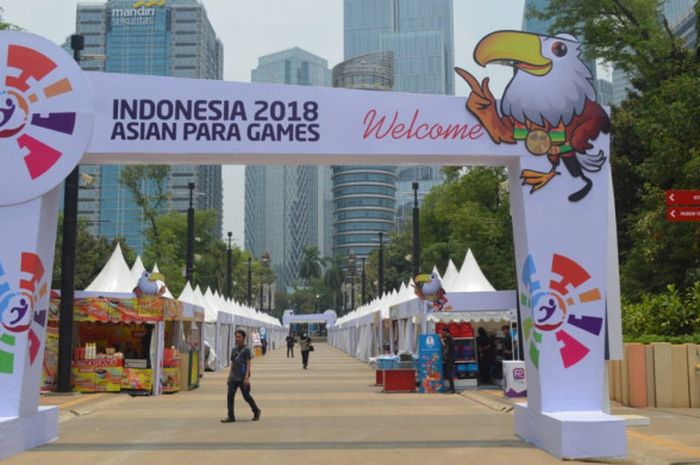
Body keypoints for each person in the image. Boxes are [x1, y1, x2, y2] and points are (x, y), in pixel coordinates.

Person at [221, 329, 261, 423]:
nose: (237, 339)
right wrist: (229, 376)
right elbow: (233, 363)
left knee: (246, 396)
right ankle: (231, 416)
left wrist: (246, 377)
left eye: (239, 337)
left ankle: (256, 410)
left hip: (242, 377)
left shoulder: (246, 349)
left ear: (243, 338)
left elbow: (248, 363)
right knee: (230, 396)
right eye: (236, 337)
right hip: (234, 377)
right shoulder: (234, 350)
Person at [440, 327, 456, 393]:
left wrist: (441, 339)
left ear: (446, 332)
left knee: (449, 373)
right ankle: (451, 388)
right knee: (448, 373)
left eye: (443, 332)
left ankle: (452, 389)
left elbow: (445, 346)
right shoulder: (449, 337)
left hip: (450, 358)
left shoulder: (449, 338)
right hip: (450, 358)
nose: (442, 333)